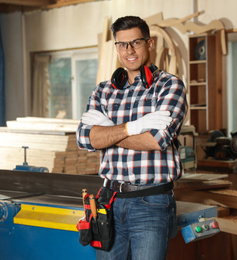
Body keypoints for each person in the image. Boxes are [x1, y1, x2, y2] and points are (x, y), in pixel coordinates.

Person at [76, 15, 188, 260]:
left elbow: (156, 140)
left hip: (151, 202)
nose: (129, 50)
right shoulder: (104, 91)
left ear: (150, 43)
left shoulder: (169, 86)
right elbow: (84, 138)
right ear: (116, 47)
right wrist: (135, 127)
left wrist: (107, 131)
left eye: (136, 42)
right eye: (122, 44)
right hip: (108, 201)